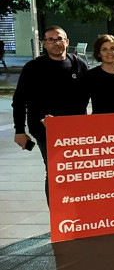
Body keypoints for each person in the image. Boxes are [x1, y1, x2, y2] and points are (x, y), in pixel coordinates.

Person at [12, 26, 89, 202]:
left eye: (60, 39)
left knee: (77, 172)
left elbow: (93, 93)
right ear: (44, 44)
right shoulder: (33, 68)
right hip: (45, 131)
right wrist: (19, 130)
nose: (56, 43)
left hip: (76, 131)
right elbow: (19, 101)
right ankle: (58, 218)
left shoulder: (80, 64)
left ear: (67, 42)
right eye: (51, 40)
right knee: (56, 171)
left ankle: (79, 215)